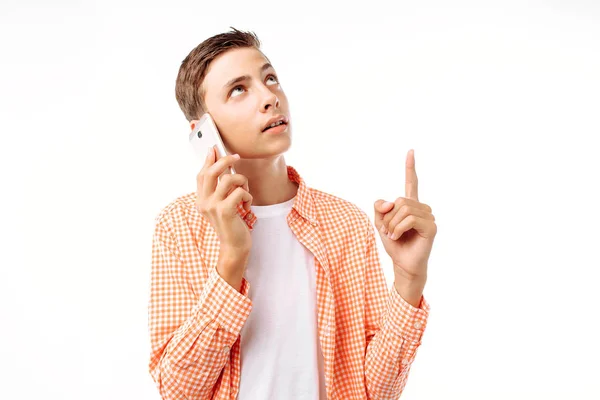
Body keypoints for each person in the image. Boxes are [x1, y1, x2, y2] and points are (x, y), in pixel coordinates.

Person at [148, 27, 437, 400]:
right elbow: (178, 390)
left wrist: (409, 280)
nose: (269, 96)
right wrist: (233, 256)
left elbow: (373, 392)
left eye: (270, 78)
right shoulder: (178, 227)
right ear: (202, 131)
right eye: (239, 89)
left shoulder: (345, 223)